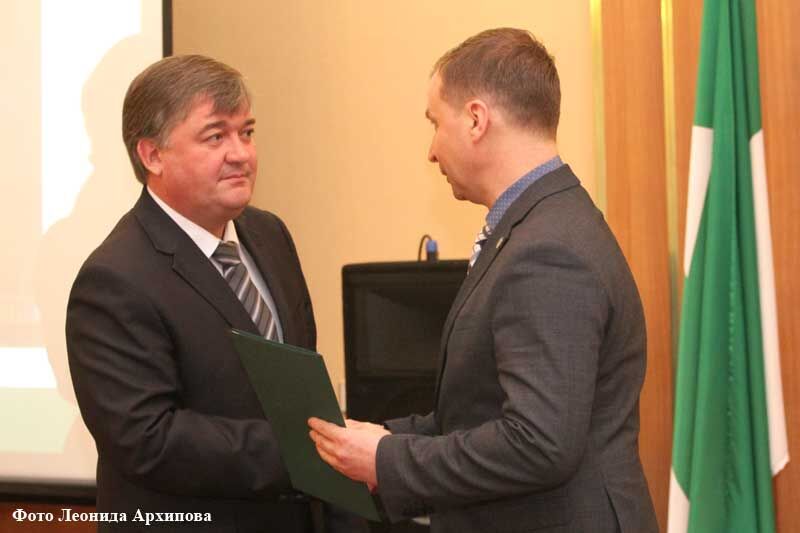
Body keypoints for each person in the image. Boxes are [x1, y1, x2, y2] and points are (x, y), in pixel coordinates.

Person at [309, 28, 658, 532]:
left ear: (476, 119)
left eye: (435, 123)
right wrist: (379, 439)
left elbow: (538, 444)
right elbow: (478, 413)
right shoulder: (539, 224)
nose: (431, 151)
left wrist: (387, 460)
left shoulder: (547, 249)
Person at [66, 55, 362, 532]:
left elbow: (301, 388)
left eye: (247, 132)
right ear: (152, 155)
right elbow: (149, 440)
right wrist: (310, 450)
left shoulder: (269, 234)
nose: (241, 154)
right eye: (215, 137)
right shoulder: (114, 278)